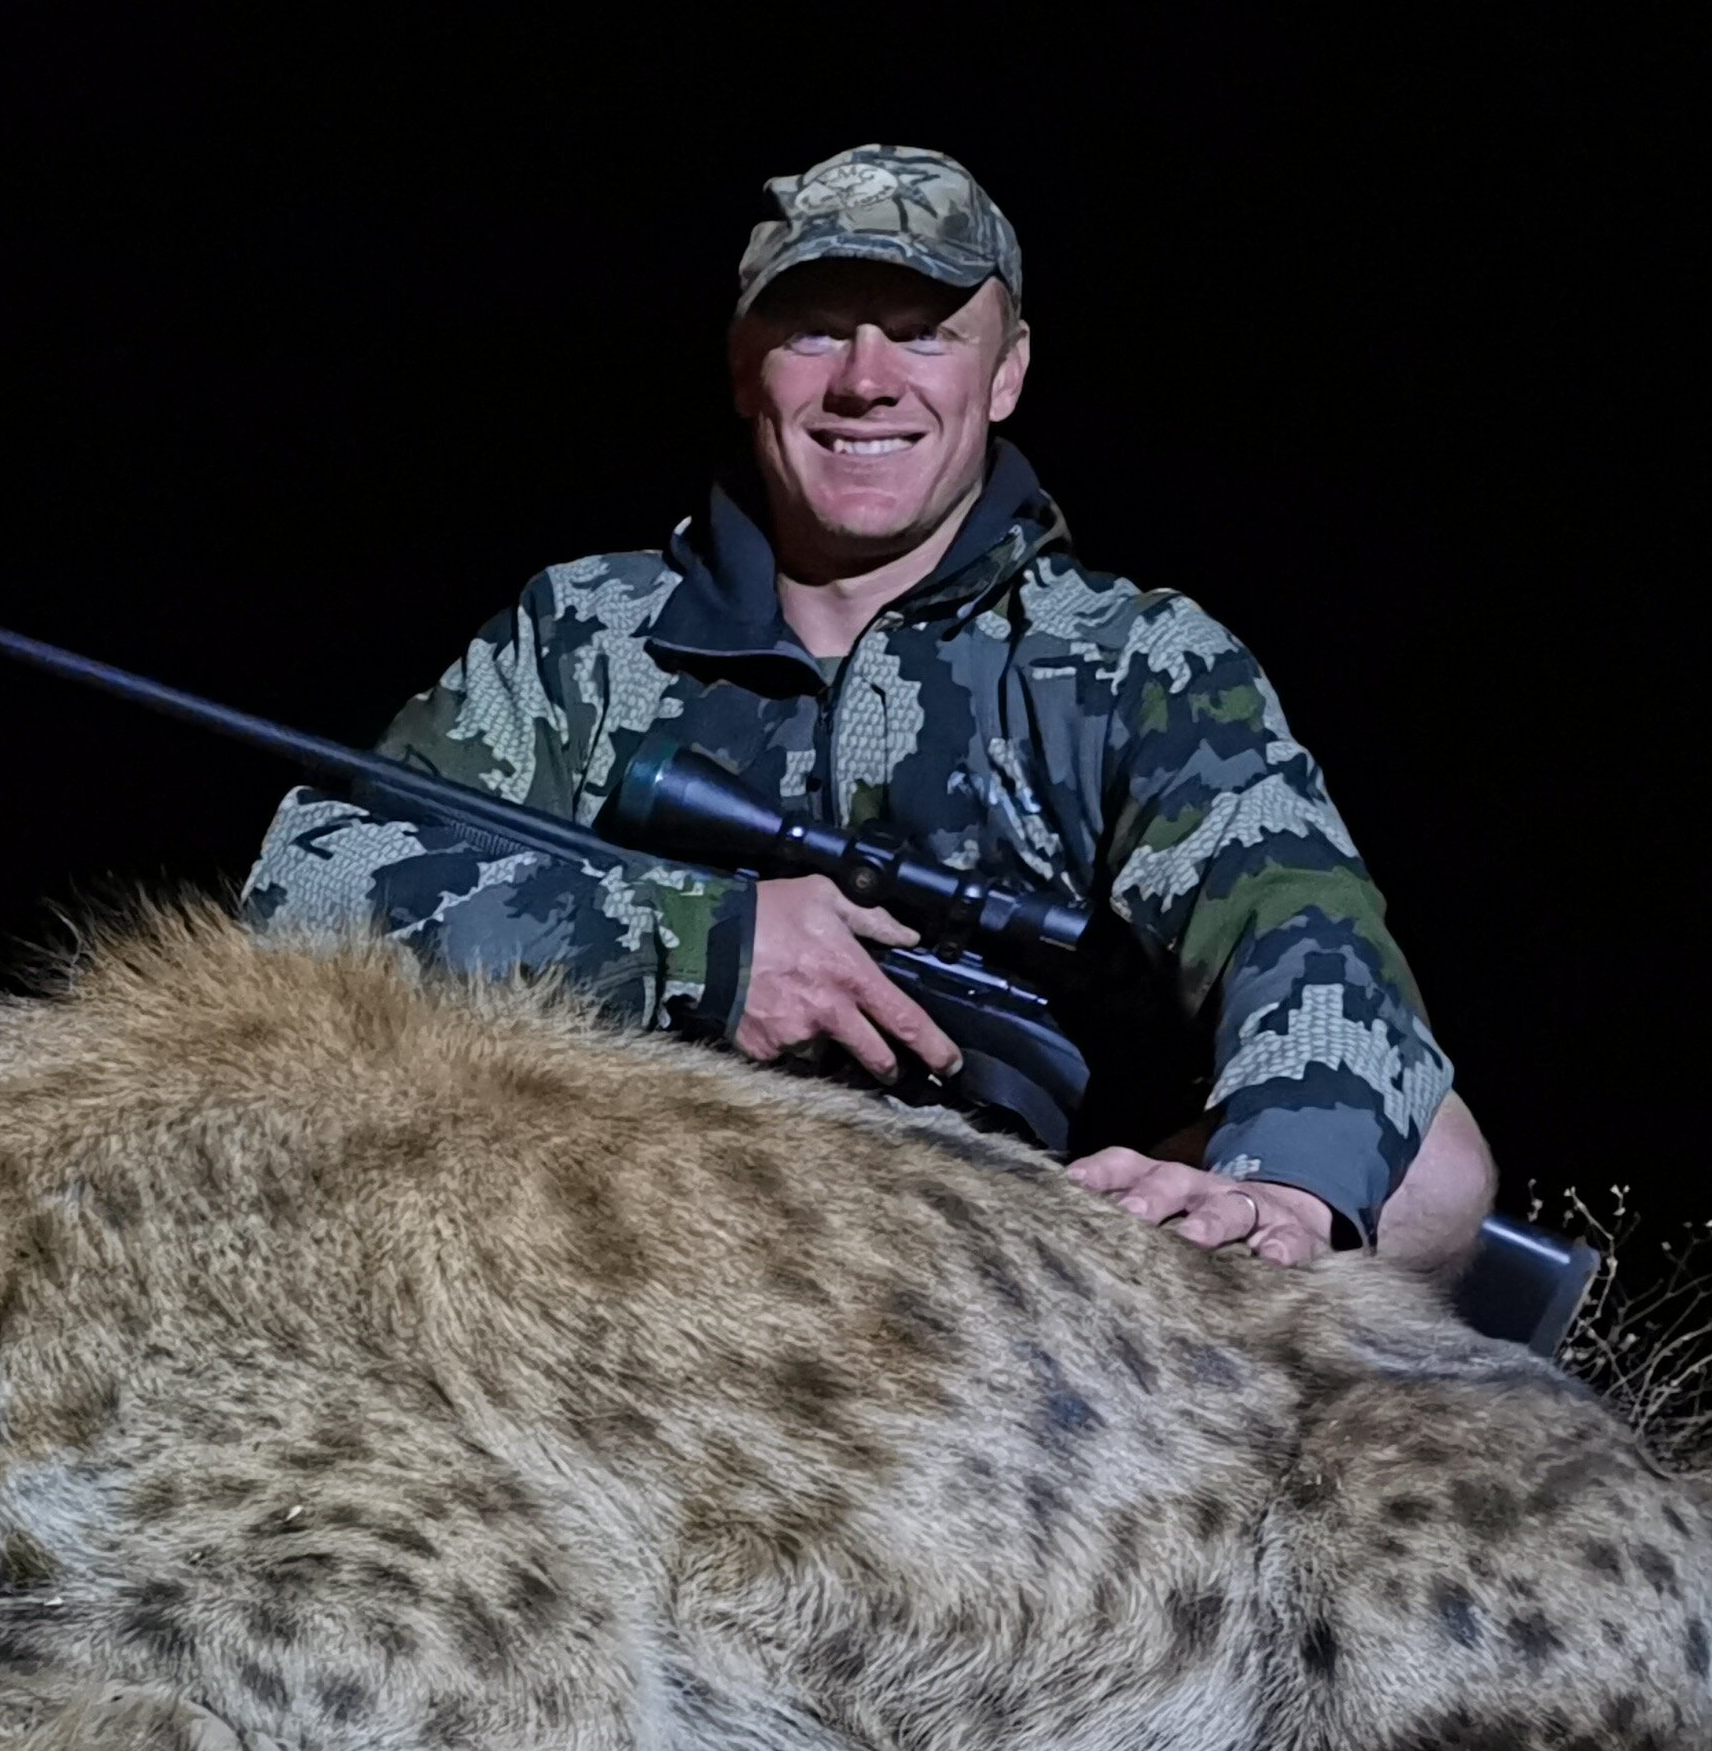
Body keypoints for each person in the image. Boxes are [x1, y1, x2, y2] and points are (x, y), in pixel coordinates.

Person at [243, 143, 1495, 1274]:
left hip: (1020, 1237)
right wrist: (694, 944)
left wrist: (1275, 1179)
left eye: (925, 332)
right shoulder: (583, 630)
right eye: (815, 331)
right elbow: (309, 886)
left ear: (1006, 375)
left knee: (1428, 1166)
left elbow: (1303, 925)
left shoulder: (1135, 658)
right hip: (632, 1191)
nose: (866, 381)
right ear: (745, 369)